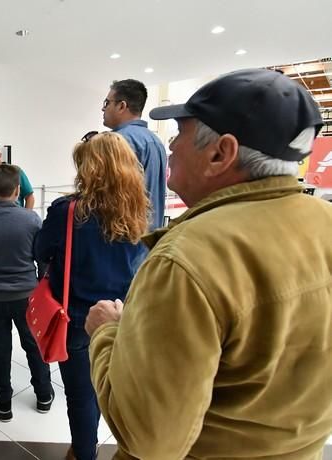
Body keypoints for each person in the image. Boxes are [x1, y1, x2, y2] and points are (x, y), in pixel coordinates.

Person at [86, 69, 332, 459]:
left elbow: (150, 440)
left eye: (180, 134)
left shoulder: (187, 259)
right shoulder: (324, 221)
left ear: (221, 153)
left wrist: (107, 335)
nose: (170, 147)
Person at [34, 133, 149, 460]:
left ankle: (84, 453)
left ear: (89, 169)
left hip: (76, 319)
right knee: (110, 387)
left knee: (82, 396)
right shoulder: (137, 210)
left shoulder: (67, 211)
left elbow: (40, 250)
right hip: (122, 316)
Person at [0, 164, 54, 422]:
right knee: (34, 345)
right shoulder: (32, 220)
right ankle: (44, 395)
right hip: (26, 296)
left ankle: (3, 401)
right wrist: (39, 285)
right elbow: (44, 259)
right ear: (17, 191)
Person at [101, 79, 167, 230]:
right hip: (149, 238)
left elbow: (108, 196)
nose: (103, 109)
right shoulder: (155, 141)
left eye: (107, 103)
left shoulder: (117, 141)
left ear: (122, 106)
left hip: (123, 239)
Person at [0, 141, 35, 209]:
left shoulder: (15, 172)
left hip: (15, 217)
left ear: (0, 155)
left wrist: (26, 216)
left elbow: (30, 197)